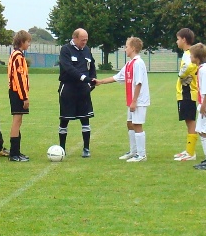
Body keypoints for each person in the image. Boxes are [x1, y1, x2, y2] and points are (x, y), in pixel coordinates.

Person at [95, 37, 150, 162]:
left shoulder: (138, 63)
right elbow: (117, 77)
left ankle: (142, 155)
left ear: (133, 48)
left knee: (137, 125)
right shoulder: (129, 64)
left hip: (138, 101)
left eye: (127, 46)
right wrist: (101, 82)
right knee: (130, 124)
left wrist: (135, 101)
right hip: (131, 100)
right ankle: (133, 151)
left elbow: (139, 83)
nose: (125, 49)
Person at [58, 28, 97, 158]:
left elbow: (92, 66)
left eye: (86, 40)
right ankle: (61, 148)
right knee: (64, 120)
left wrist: (92, 81)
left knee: (85, 119)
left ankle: (86, 148)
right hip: (68, 88)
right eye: (82, 40)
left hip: (83, 89)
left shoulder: (87, 49)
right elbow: (68, 68)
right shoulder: (65, 50)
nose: (84, 42)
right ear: (74, 38)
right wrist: (84, 78)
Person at [173, 28, 199, 162]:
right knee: (188, 120)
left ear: (184, 39)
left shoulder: (189, 53)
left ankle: (191, 152)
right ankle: (189, 150)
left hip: (188, 92)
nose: (176, 41)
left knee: (190, 121)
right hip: (184, 92)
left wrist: (182, 74)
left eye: (178, 39)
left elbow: (190, 67)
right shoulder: (187, 53)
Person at [8, 30, 31, 162]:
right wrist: (24, 97)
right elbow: (19, 79)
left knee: (19, 121)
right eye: (28, 42)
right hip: (17, 93)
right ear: (22, 42)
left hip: (17, 92)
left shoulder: (17, 55)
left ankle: (17, 152)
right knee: (17, 121)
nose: (28, 44)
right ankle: (13, 154)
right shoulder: (18, 56)